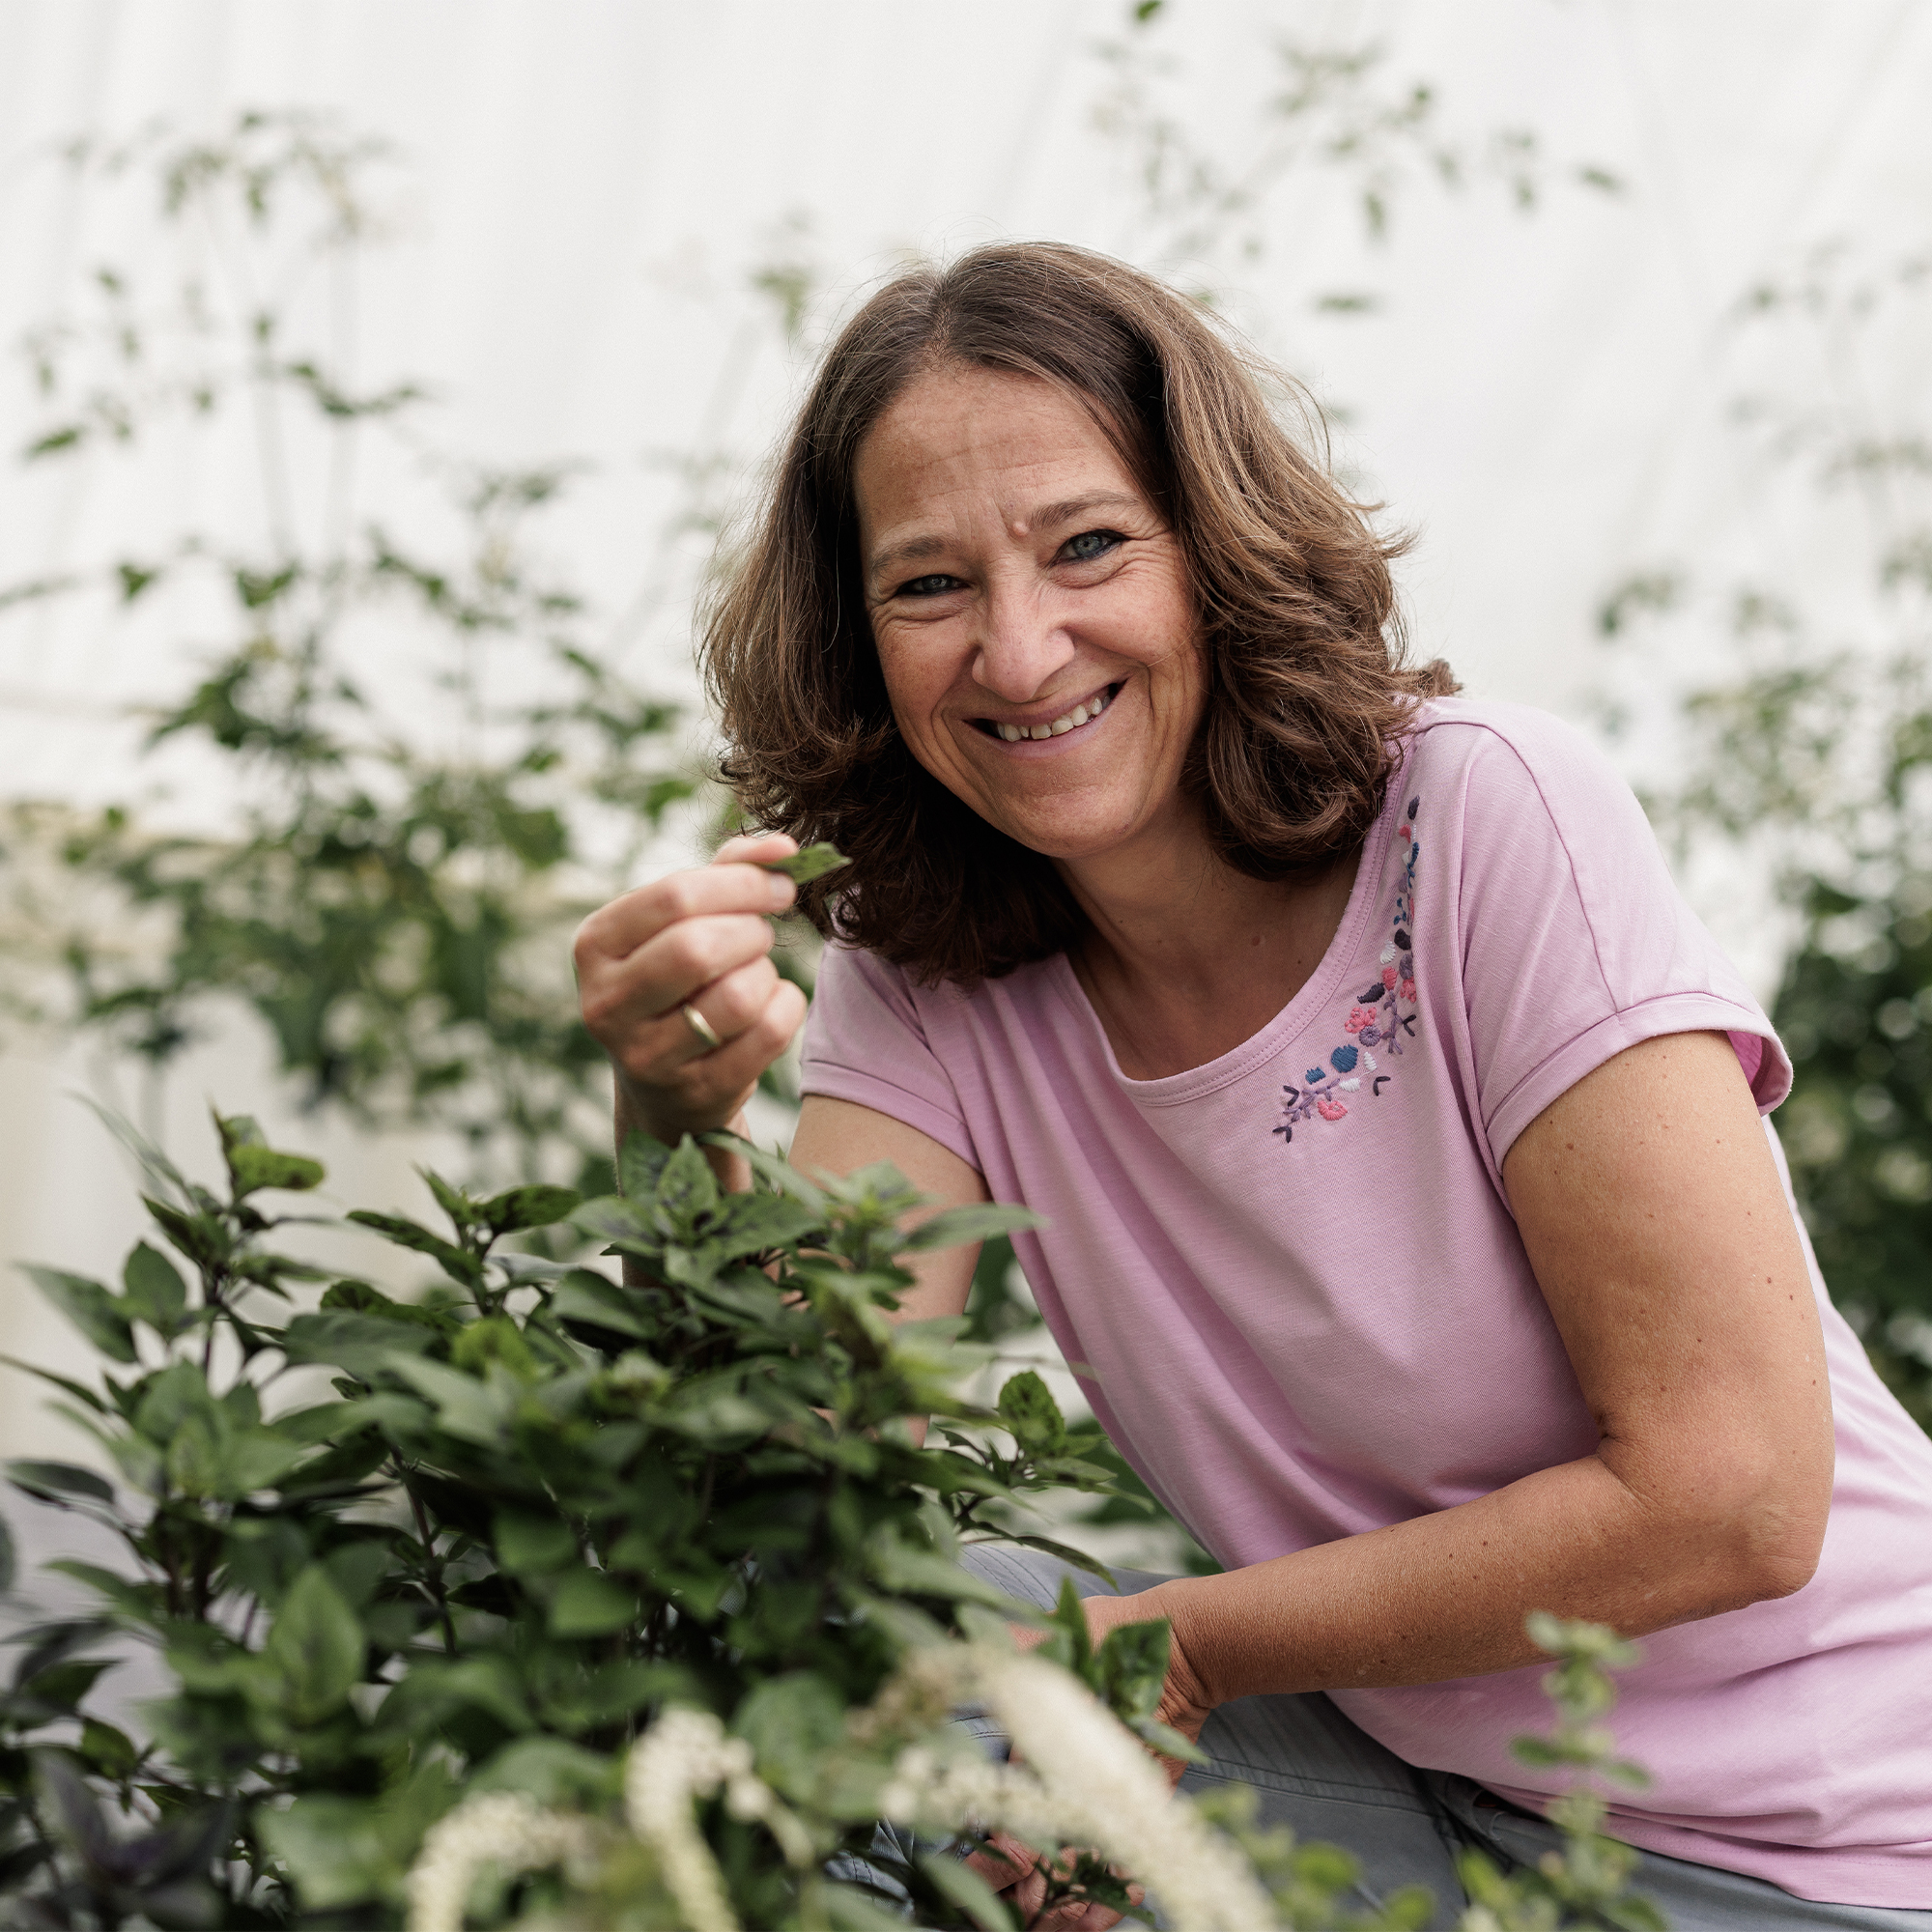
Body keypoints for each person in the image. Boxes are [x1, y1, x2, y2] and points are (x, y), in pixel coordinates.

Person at [574, 242, 1932, 1929]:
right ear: (858, 640)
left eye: (1087, 547)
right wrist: (677, 1123)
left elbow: (1731, 1498)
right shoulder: (930, 971)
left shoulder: (1483, 823)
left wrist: (1179, 1650)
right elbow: (800, 1481)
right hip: (1422, 1794)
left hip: (1824, 1851)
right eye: (927, 586)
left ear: (1211, 550)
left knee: (1007, 1696)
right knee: (859, 1692)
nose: (1017, 650)